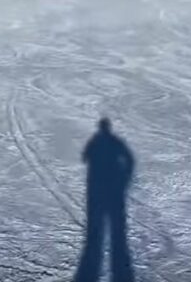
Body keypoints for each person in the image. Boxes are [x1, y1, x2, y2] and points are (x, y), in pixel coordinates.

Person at [74, 118, 135, 282]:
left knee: (98, 221)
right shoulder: (115, 141)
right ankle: (118, 252)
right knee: (115, 221)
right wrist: (124, 176)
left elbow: (84, 157)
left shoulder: (95, 141)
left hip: (98, 188)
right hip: (113, 187)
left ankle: (98, 247)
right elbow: (129, 159)